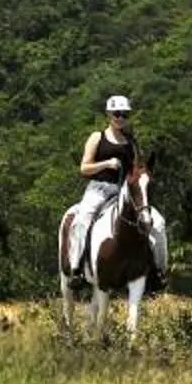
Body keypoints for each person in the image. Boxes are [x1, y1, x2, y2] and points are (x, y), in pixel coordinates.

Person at [70, 95, 139, 269]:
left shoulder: (130, 142)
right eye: (117, 114)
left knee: (148, 221)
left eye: (125, 114)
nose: (121, 118)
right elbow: (84, 168)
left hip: (123, 191)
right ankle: (76, 266)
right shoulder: (97, 137)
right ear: (109, 114)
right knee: (83, 219)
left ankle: (152, 270)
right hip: (98, 190)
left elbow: (134, 170)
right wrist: (106, 164)